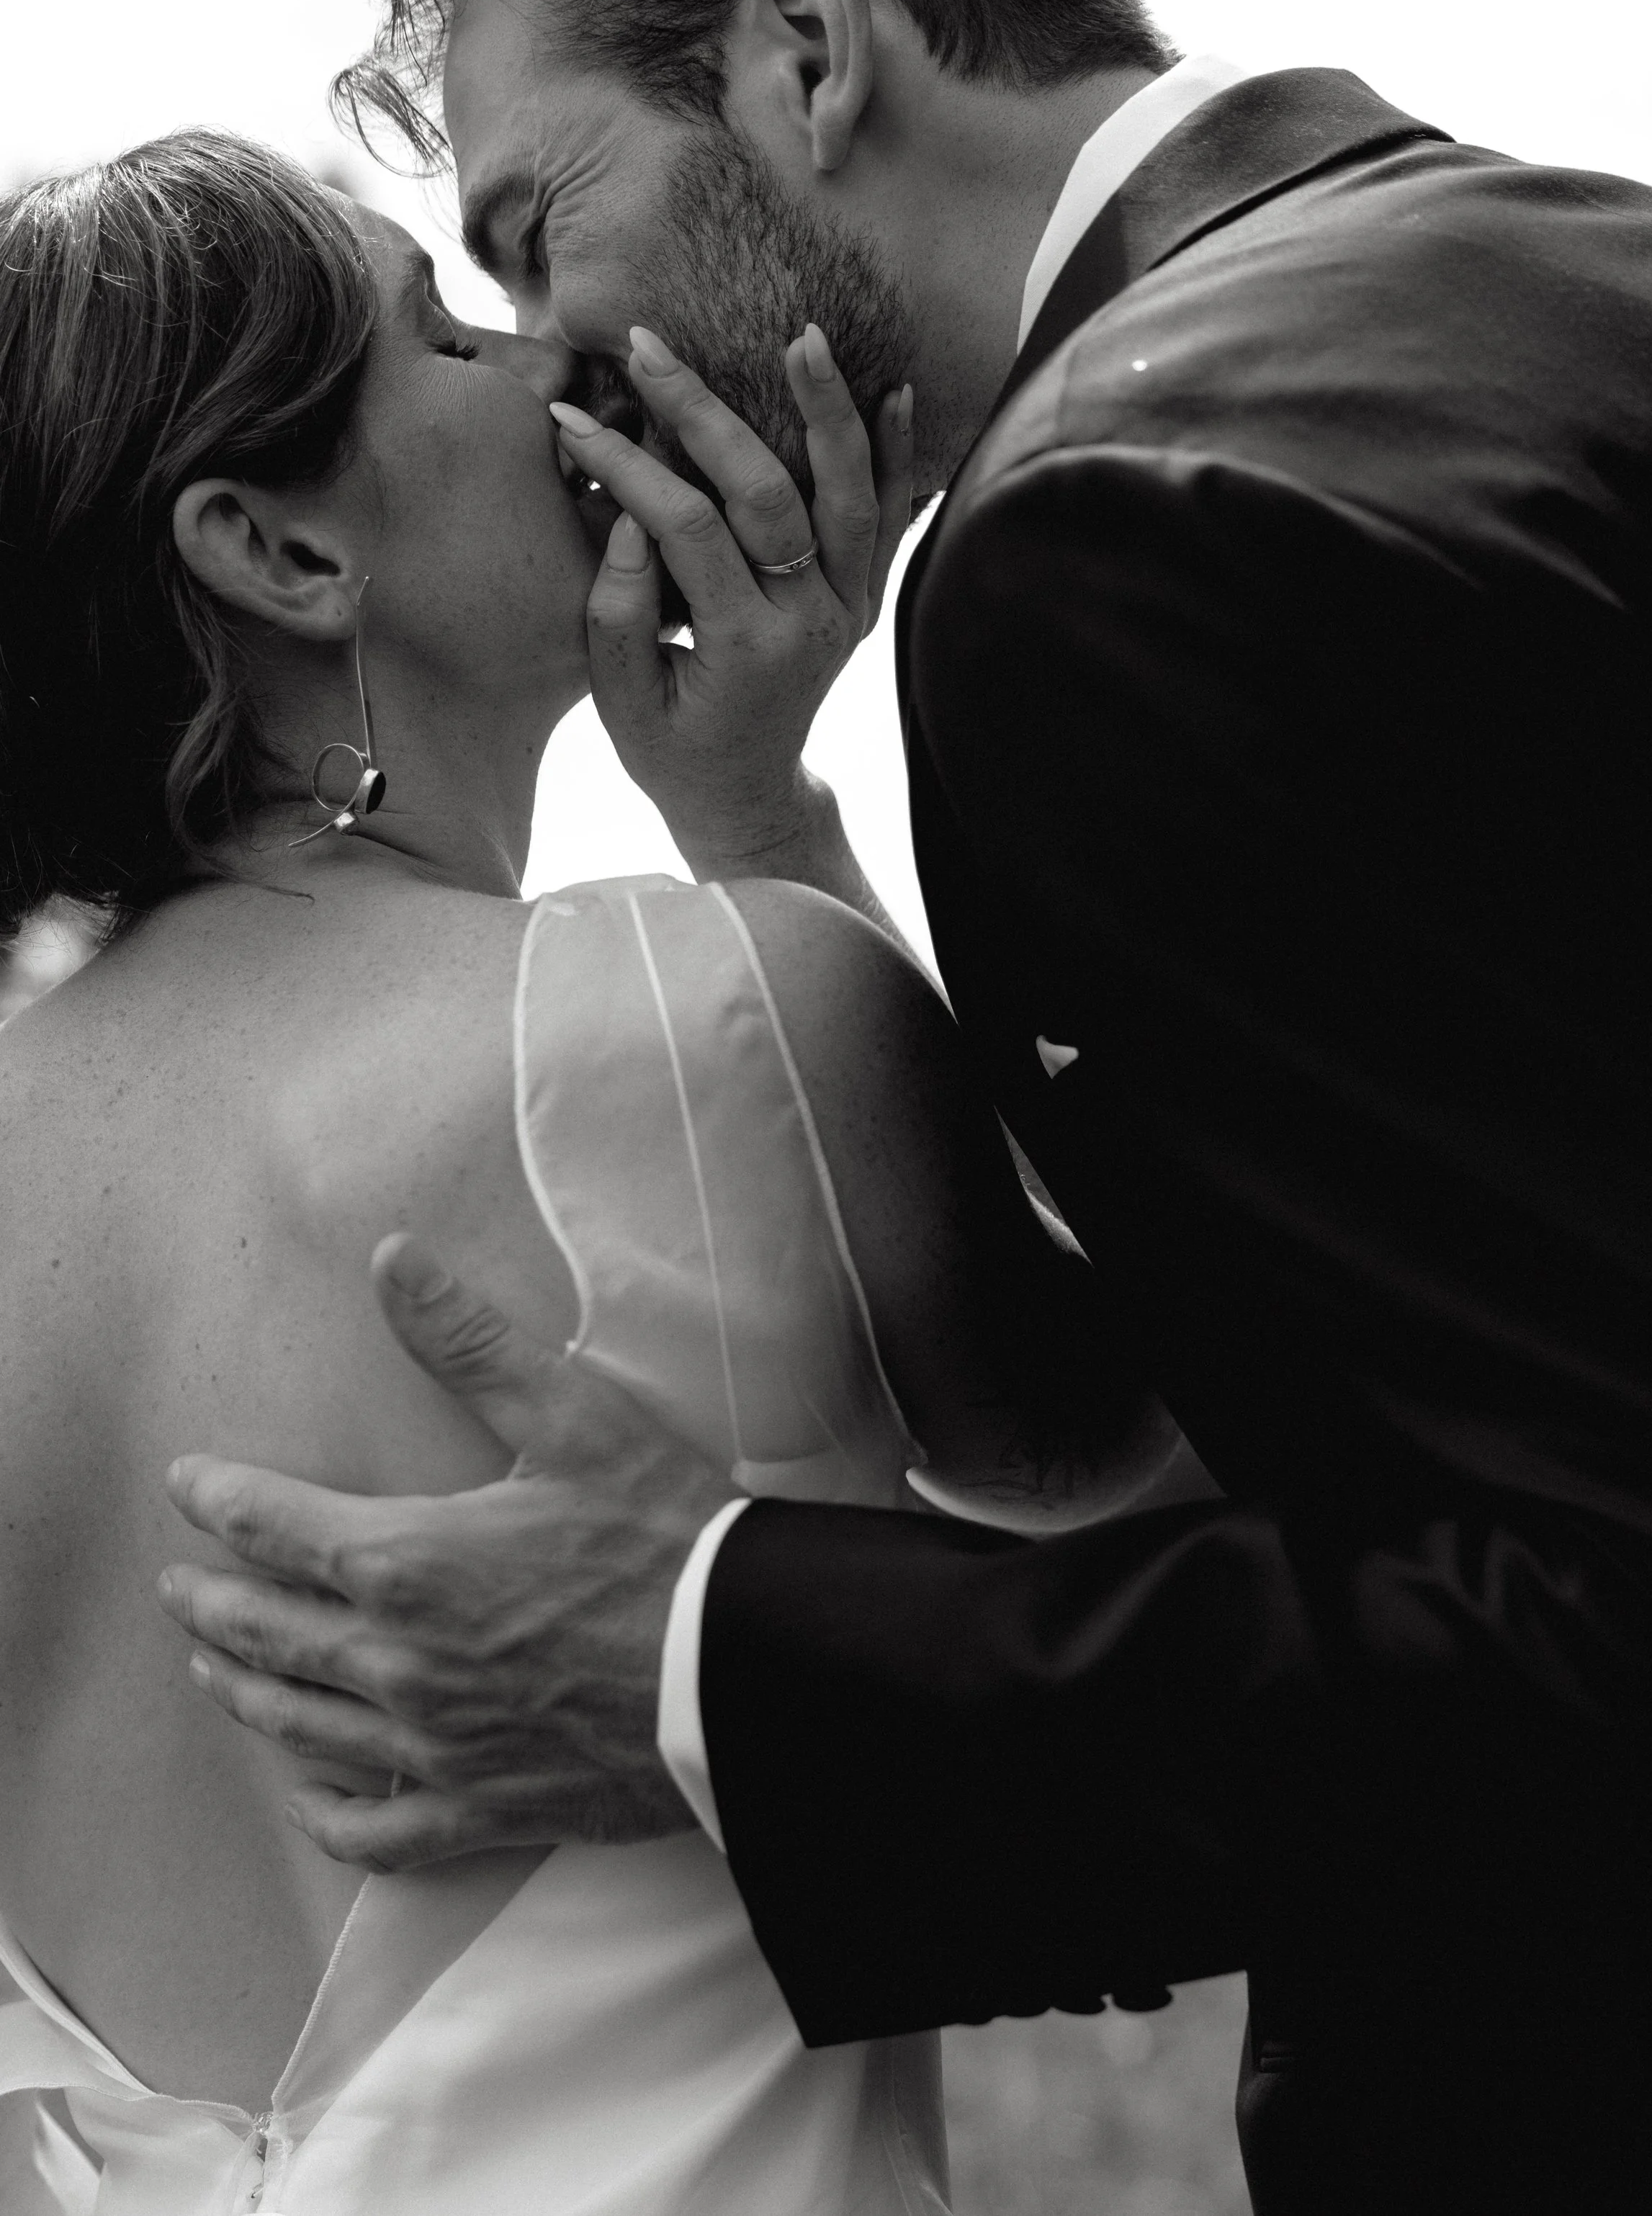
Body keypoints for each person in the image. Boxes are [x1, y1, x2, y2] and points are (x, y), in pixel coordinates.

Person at [153, 0, 1652, 2210]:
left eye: (533, 227)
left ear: (803, 44)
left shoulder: (1117, 532)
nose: (560, 365)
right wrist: (760, 815)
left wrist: (711, 1666)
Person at [0, 129, 1185, 2212]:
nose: (553, 352)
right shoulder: (716, 1024)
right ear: (279, 553)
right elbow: (1163, 1479)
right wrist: (758, 821)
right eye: (439, 333)